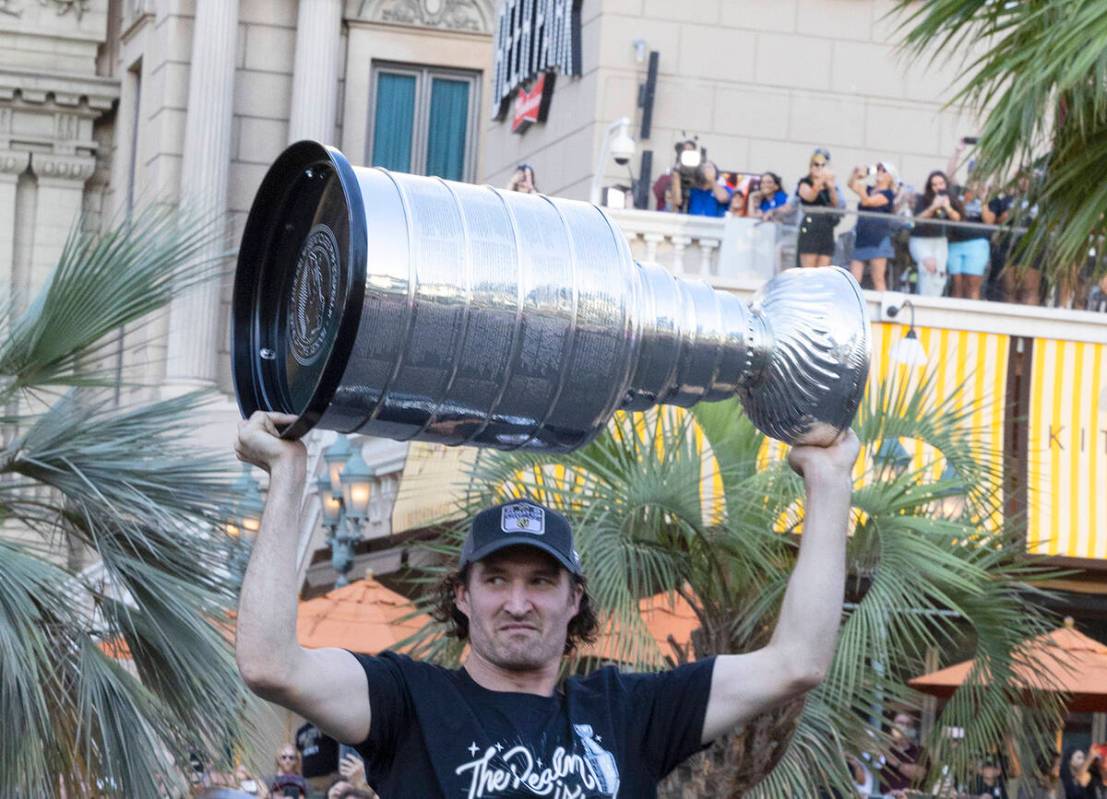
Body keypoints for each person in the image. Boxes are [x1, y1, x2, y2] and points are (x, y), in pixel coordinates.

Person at [234, 411, 860, 798]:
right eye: (497, 579)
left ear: (573, 600)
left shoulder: (630, 713)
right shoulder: (408, 703)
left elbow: (797, 661)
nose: (517, 602)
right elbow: (269, 663)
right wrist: (288, 476)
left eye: (540, 582)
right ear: (462, 595)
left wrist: (830, 486)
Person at [911, 170, 963, 296]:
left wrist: (947, 207)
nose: (938, 187)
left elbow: (957, 218)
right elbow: (917, 219)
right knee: (928, 267)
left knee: (939, 273)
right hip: (921, 240)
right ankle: (923, 299)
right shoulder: (923, 199)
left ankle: (934, 300)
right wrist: (933, 207)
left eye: (941, 183)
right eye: (934, 184)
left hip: (940, 240)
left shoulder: (951, 199)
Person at [847, 162, 898, 292]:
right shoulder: (870, 189)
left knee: (878, 278)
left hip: (878, 238)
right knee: (853, 279)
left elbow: (867, 201)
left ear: (890, 177)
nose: (880, 172)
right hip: (862, 236)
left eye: (884, 170)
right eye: (879, 169)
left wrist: (862, 190)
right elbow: (851, 184)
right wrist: (856, 175)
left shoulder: (888, 194)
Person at [796, 147, 844, 268]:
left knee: (823, 267)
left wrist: (831, 186)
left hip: (826, 225)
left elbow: (835, 204)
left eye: (823, 165)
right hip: (811, 224)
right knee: (809, 268)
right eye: (816, 164)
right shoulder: (805, 182)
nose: (819, 168)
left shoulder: (828, 185)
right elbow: (809, 197)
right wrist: (820, 180)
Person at [880, 711, 925, 793]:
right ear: (892, 726)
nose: (904, 727)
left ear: (912, 729)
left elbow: (919, 775)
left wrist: (893, 761)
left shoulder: (919, 751)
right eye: (900, 723)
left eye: (908, 724)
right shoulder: (884, 747)